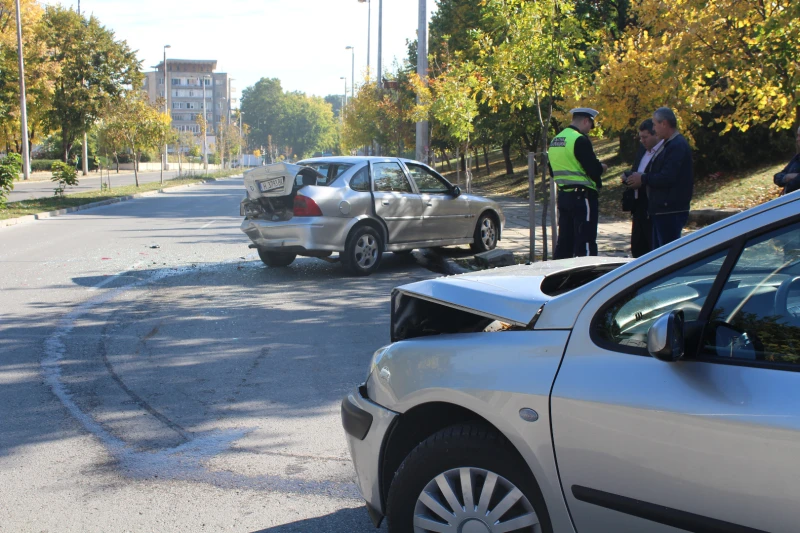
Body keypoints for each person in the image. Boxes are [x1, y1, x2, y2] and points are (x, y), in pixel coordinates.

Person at [625, 107, 693, 249]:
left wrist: (643, 179)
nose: (654, 129)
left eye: (655, 124)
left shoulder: (677, 145)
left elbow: (667, 177)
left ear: (664, 124)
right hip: (660, 209)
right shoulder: (669, 144)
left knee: (667, 255)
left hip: (670, 210)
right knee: (657, 253)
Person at [551, 107, 607, 259]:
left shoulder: (557, 140)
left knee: (564, 242)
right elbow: (593, 169)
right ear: (585, 121)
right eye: (590, 125)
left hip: (564, 197)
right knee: (585, 241)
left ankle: (559, 276)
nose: (589, 129)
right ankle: (588, 277)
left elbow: (552, 170)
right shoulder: (579, 139)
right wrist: (601, 168)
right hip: (583, 198)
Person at [623, 119, 664, 257]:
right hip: (638, 206)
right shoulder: (642, 150)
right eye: (640, 137)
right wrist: (628, 177)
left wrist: (642, 180)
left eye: (645, 137)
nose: (642, 140)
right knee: (638, 248)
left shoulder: (663, 151)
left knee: (652, 249)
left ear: (656, 135)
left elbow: (661, 177)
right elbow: (636, 170)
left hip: (652, 206)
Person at [774, 125, 800, 194]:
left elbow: (794, 186)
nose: (798, 139)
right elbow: (777, 177)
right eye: (797, 136)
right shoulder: (797, 158)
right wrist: (787, 177)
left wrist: (795, 177)